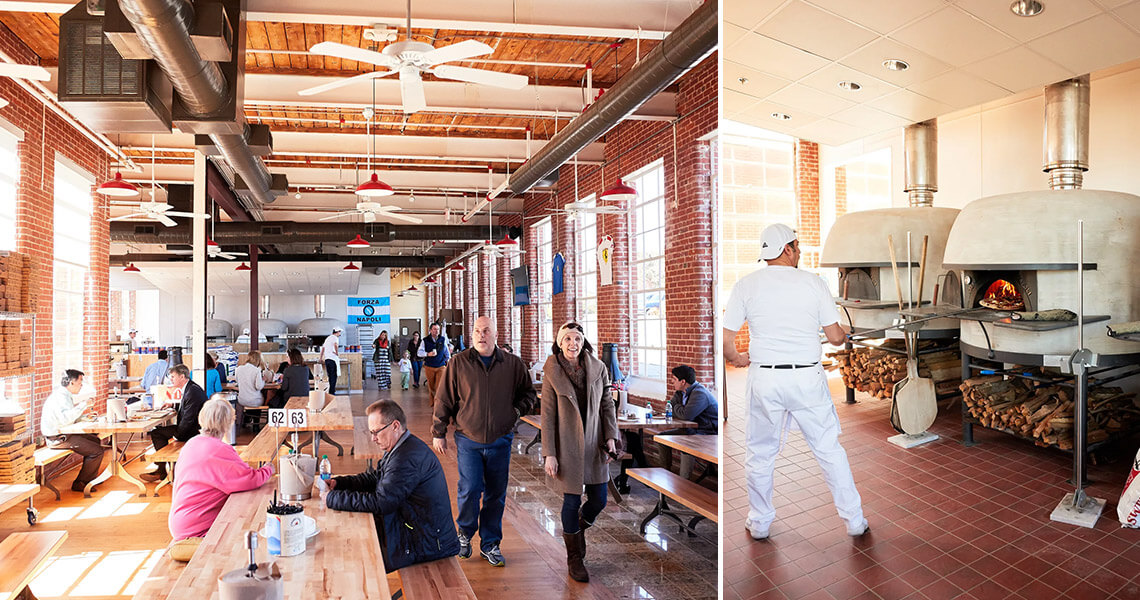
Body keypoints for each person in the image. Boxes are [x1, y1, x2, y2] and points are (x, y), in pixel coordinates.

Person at [723, 223, 867, 540]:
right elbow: (834, 336)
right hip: (806, 378)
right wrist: (844, 334)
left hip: (765, 378)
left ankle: (759, 523)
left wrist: (737, 358)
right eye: (797, 245)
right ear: (787, 249)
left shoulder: (746, 285)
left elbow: (726, 340)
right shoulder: (813, 283)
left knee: (760, 454)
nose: (800, 250)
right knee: (829, 450)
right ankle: (854, 521)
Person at [432, 316, 536, 567]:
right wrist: (438, 431)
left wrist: (515, 413)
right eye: (477, 331)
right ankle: (465, 535)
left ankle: (490, 544)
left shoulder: (512, 364)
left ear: (496, 334)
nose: (481, 335)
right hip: (469, 439)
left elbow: (529, 395)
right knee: (469, 490)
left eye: (486, 330)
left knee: (495, 494)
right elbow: (443, 398)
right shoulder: (458, 363)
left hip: (501, 440)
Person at [321, 400, 459, 572]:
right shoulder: (401, 447)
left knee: (358, 557)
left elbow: (382, 503)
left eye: (376, 432)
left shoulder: (406, 458)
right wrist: (340, 483)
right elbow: (376, 477)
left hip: (428, 544)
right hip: (420, 532)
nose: (373, 438)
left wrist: (332, 498)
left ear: (395, 426)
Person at [541, 322, 618, 583]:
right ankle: (574, 558)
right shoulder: (552, 370)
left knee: (599, 500)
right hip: (567, 445)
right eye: (567, 339)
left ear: (583, 342)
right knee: (571, 501)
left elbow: (607, 404)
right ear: (560, 343)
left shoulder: (599, 368)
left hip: (594, 441)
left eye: (577, 339)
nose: (573, 344)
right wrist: (549, 452)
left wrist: (611, 437)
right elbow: (548, 414)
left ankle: (578, 529)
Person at [167, 398, 274, 561]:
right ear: (227, 423)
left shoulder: (191, 443)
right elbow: (250, 479)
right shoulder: (219, 449)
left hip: (180, 522)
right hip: (196, 529)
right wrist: (269, 469)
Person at [40, 369, 106, 493]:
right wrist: (83, 405)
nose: (81, 386)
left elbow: (67, 419)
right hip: (58, 438)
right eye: (80, 383)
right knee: (97, 451)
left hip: (62, 434)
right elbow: (65, 420)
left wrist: (85, 417)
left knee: (95, 440)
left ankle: (90, 477)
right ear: (71, 383)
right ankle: (81, 483)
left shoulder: (63, 395)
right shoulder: (61, 397)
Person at [141, 365, 207, 483]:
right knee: (158, 432)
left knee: (157, 433)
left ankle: (161, 471)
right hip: (192, 427)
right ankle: (162, 470)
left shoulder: (192, 391)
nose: (171, 379)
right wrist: (174, 405)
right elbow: (188, 409)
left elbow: (188, 419)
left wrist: (178, 436)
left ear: (182, 376)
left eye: (173, 377)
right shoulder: (191, 388)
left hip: (193, 430)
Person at [660, 365, 719, 479]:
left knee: (686, 445)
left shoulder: (700, 393)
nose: (672, 381)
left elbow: (686, 415)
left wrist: (676, 407)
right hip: (692, 429)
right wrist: (678, 408)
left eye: (674, 379)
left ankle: (684, 483)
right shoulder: (680, 392)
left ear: (683, 382)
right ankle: (665, 474)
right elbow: (668, 407)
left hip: (708, 432)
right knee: (662, 438)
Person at [422, 323, 450, 403]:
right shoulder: (425, 340)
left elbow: (446, 351)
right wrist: (428, 354)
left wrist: (448, 360)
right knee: (431, 387)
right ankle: (433, 403)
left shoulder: (442, 339)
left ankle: (439, 403)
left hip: (441, 366)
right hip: (429, 366)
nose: (436, 331)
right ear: (430, 330)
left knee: (440, 386)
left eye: (438, 329)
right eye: (434, 329)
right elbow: (419, 353)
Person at [322, 327, 343, 395]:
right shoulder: (335, 338)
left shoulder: (328, 338)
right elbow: (335, 344)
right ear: (337, 332)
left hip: (327, 359)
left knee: (330, 376)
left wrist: (320, 357)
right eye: (339, 332)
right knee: (333, 376)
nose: (340, 334)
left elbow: (323, 348)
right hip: (332, 360)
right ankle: (332, 391)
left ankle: (330, 391)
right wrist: (337, 352)